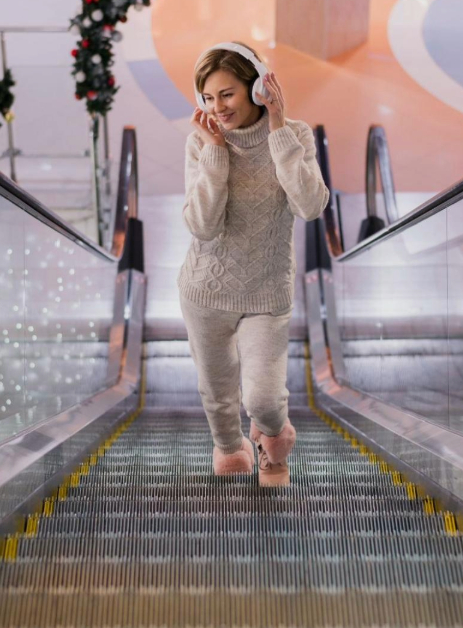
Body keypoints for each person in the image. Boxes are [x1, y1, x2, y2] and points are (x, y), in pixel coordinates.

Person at [178, 42, 329, 486]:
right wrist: (215, 153)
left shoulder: (295, 135)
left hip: (266, 292)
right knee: (218, 396)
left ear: (258, 87)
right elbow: (202, 226)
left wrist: (278, 129)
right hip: (205, 292)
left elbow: (310, 206)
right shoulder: (200, 142)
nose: (217, 107)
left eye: (227, 94)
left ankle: (273, 438)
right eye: (208, 97)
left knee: (264, 399)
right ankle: (231, 451)